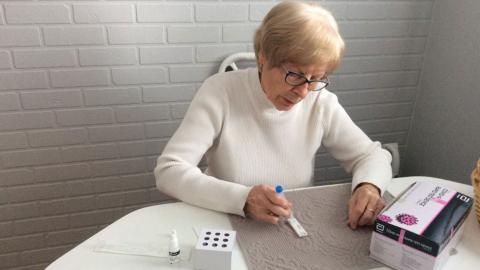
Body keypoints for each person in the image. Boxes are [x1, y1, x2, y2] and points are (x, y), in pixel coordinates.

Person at [154, 0, 392, 230]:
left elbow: (372, 156)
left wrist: (369, 187)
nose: (302, 92)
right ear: (262, 57)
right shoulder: (220, 92)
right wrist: (243, 198)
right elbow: (169, 170)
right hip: (224, 217)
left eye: (316, 78)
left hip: (289, 221)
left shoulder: (319, 101)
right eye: (295, 75)